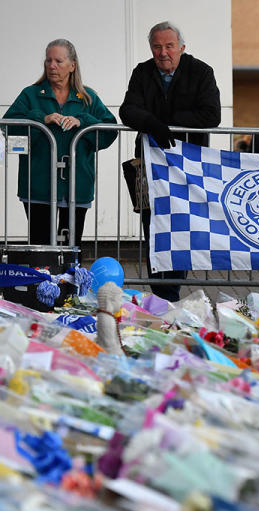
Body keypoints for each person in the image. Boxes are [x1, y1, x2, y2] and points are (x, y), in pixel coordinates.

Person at [120, 21, 221, 302]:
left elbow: (211, 115)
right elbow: (127, 110)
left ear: (182, 48)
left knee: (182, 230)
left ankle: (171, 294)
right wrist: (151, 123)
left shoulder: (201, 72)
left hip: (187, 168)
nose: (163, 52)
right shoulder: (142, 72)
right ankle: (160, 297)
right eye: (157, 46)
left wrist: (165, 124)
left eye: (169, 46)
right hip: (149, 166)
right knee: (153, 230)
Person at [3, 39, 116, 246]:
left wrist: (84, 122)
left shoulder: (87, 98)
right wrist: (40, 119)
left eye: (58, 61)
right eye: (48, 60)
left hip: (77, 185)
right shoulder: (31, 94)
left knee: (70, 247)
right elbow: (8, 127)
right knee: (41, 245)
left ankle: (69, 279)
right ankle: (42, 279)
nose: (52, 66)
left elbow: (109, 131)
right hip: (38, 186)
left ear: (72, 65)